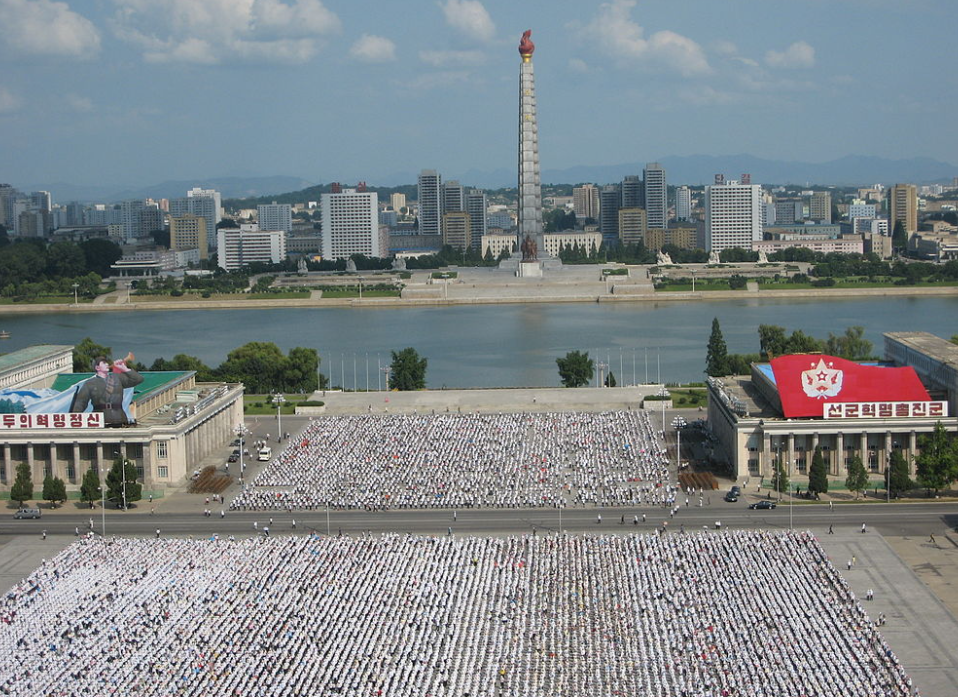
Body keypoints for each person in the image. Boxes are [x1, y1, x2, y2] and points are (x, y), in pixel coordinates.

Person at [70, 354, 144, 426]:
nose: (107, 364)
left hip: (119, 417)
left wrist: (124, 368)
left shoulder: (117, 378)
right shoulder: (90, 383)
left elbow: (138, 379)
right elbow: (80, 403)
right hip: (100, 419)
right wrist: (74, 419)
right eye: (104, 363)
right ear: (97, 367)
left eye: (107, 363)